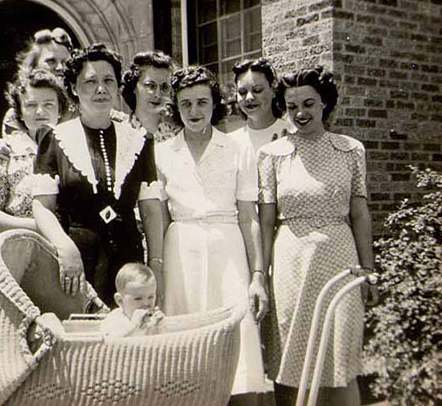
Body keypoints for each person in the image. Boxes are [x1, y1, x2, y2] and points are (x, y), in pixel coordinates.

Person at [258, 66, 378, 406]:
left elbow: (359, 213)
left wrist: (368, 270)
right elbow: (266, 222)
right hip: (290, 262)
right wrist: (261, 275)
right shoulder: (271, 154)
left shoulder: (351, 150)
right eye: (292, 105)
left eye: (309, 104)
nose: (300, 113)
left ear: (325, 104)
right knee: (292, 356)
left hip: (341, 260)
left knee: (342, 356)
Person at [155, 66, 268, 405]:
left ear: (215, 104)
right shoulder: (161, 152)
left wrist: (258, 275)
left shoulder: (237, 149)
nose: (194, 111)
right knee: (184, 344)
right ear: (175, 106)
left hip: (228, 250)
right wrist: (158, 272)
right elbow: (159, 218)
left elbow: (250, 217)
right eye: (186, 103)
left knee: (238, 342)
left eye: (202, 102)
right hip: (180, 253)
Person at [32, 44, 164, 306]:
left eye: (108, 81)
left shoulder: (139, 140)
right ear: (73, 88)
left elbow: (150, 209)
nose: (101, 89)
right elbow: (41, 206)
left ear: (117, 88)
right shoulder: (55, 139)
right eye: (90, 82)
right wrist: (64, 247)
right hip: (77, 262)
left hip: (128, 262)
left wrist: (156, 265)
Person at [0, 68, 70, 234]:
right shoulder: (6, 152)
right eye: (31, 105)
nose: (40, 112)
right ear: (20, 113)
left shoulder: (76, 148)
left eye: (48, 104)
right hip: (23, 245)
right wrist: (41, 228)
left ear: (60, 109)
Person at [229, 58, 293, 154]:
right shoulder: (230, 143)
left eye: (257, 90)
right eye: (242, 92)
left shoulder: (292, 134)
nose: (249, 98)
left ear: (273, 90)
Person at [121, 51, 181, 142]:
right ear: (134, 87)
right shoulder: (121, 133)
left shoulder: (180, 135)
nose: (158, 94)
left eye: (164, 87)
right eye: (150, 86)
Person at [100, 263, 165, 338]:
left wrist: (159, 327)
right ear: (120, 300)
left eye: (151, 297)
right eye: (138, 298)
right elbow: (108, 343)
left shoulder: (151, 320)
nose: (146, 303)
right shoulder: (114, 319)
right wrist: (133, 327)